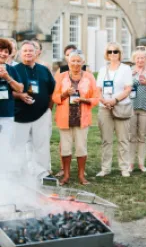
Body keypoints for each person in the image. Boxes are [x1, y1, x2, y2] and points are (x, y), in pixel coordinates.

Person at [52, 50, 99, 185]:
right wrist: (65, 94)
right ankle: (66, 176)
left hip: (81, 118)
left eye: (79, 61)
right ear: (68, 62)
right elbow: (54, 97)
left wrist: (85, 100)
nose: (76, 63)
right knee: (65, 148)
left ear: (83, 62)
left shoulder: (89, 77)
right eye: (73, 61)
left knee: (81, 147)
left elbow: (96, 97)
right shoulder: (61, 77)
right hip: (64, 118)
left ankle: (81, 176)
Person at [12, 40, 55, 181]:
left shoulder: (44, 70)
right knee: (19, 146)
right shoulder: (14, 70)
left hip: (41, 116)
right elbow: (7, 92)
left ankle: (42, 174)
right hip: (20, 115)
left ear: (36, 53)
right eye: (25, 51)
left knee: (41, 145)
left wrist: (48, 109)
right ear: (20, 53)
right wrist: (20, 95)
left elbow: (51, 91)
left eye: (31, 51)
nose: (28, 53)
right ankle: (20, 174)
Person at [96, 42, 133, 177]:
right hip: (104, 107)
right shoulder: (102, 70)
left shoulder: (125, 69)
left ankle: (124, 167)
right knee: (106, 140)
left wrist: (115, 100)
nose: (113, 54)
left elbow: (128, 89)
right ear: (107, 54)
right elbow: (98, 89)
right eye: (110, 51)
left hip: (121, 106)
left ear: (120, 53)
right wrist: (104, 101)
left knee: (123, 139)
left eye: (115, 51)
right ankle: (106, 168)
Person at [0, 39, 23, 174]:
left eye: (6, 52)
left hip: (7, 114)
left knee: (6, 144)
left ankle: (4, 174)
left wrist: (7, 77)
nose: (3, 54)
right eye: (1, 51)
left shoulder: (11, 69)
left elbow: (20, 88)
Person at [129, 49, 146, 173]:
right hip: (131, 107)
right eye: (138, 58)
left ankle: (141, 164)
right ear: (134, 59)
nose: (140, 60)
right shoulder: (129, 71)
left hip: (145, 106)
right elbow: (124, 87)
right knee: (132, 136)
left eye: (142, 58)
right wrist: (130, 77)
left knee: (142, 136)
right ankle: (130, 164)